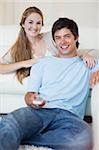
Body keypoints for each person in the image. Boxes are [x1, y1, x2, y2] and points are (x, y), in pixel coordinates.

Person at [0, 17, 99, 150]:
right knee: (10, 122)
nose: (62, 41)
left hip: (70, 116)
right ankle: (21, 134)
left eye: (67, 36)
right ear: (54, 41)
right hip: (40, 112)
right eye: (58, 38)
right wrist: (31, 99)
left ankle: (26, 137)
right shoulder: (42, 63)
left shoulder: (89, 63)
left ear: (76, 38)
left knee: (83, 140)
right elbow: (29, 94)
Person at [0, 6, 96, 84]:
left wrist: (84, 55)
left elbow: (70, 51)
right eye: (30, 22)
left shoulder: (51, 37)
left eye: (38, 23)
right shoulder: (17, 48)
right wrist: (24, 63)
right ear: (23, 24)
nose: (34, 27)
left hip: (61, 80)